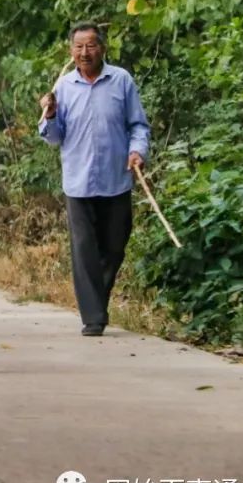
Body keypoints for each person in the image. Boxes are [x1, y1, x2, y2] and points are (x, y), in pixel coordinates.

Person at [39, 21, 151, 337]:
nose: (84, 52)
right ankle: (94, 317)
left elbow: (138, 126)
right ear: (70, 51)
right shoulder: (62, 88)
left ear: (102, 48)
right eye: (78, 47)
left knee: (115, 246)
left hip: (117, 178)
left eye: (90, 46)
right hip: (78, 182)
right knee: (84, 248)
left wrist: (137, 151)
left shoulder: (121, 81)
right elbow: (54, 137)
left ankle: (95, 300)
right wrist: (48, 116)